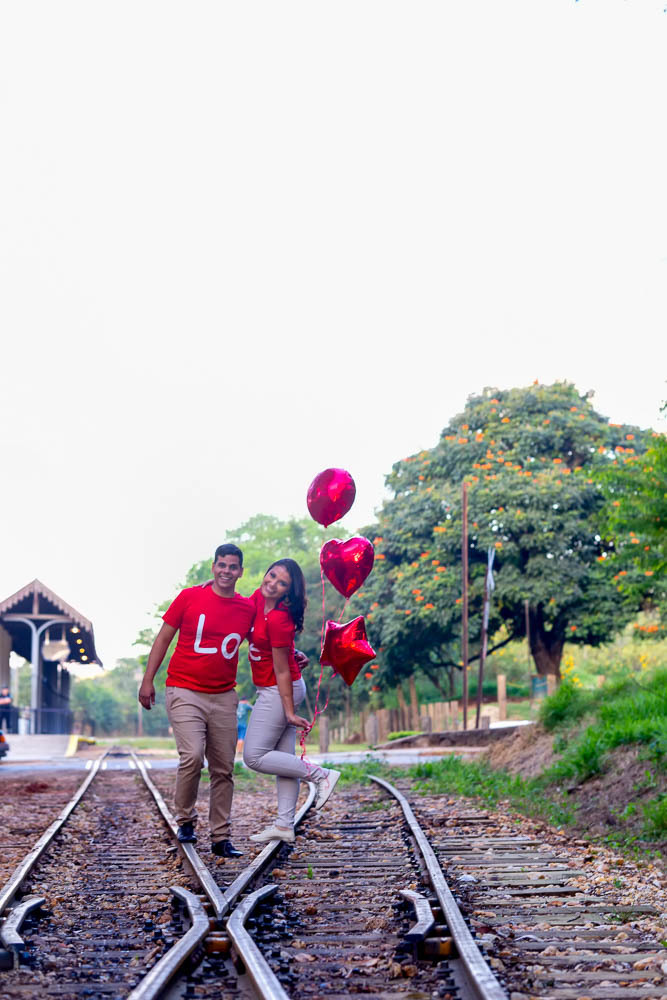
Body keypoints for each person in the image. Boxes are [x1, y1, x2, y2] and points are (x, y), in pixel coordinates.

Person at [138, 543, 255, 858]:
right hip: (184, 690)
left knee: (223, 768)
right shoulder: (190, 597)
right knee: (192, 756)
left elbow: (266, 641)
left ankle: (220, 837)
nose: (226, 571)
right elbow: (164, 637)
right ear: (213, 566)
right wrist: (148, 679)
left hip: (224, 695)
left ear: (240, 572)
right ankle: (186, 819)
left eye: (233, 567)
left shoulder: (247, 608)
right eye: (222, 565)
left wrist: (293, 655)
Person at [243, 558, 340, 844]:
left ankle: (321, 775)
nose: (272, 584)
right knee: (283, 761)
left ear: (289, 591)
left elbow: (282, 670)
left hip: (279, 688)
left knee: (254, 756)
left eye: (281, 583)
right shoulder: (259, 598)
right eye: (271, 575)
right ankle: (285, 825)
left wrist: (287, 711)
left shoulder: (279, 618)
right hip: (274, 687)